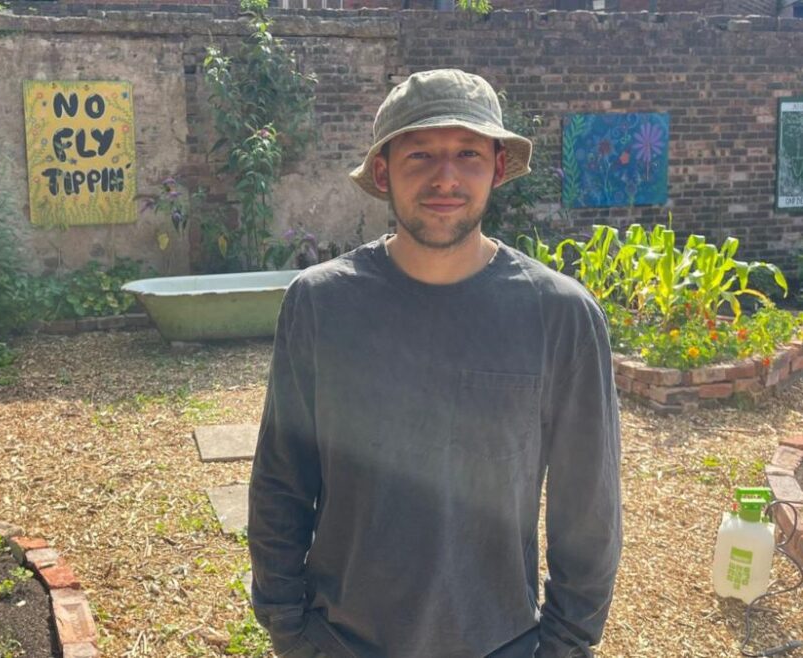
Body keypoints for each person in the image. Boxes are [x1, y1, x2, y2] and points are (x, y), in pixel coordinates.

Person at [247, 68, 622, 658]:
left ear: (498, 167)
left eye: (468, 153)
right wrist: (289, 628)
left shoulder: (560, 316)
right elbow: (280, 479)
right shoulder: (322, 303)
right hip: (341, 639)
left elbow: (589, 512)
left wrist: (563, 647)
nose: (445, 177)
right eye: (419, 153)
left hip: (500, 641)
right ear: (382, 171)